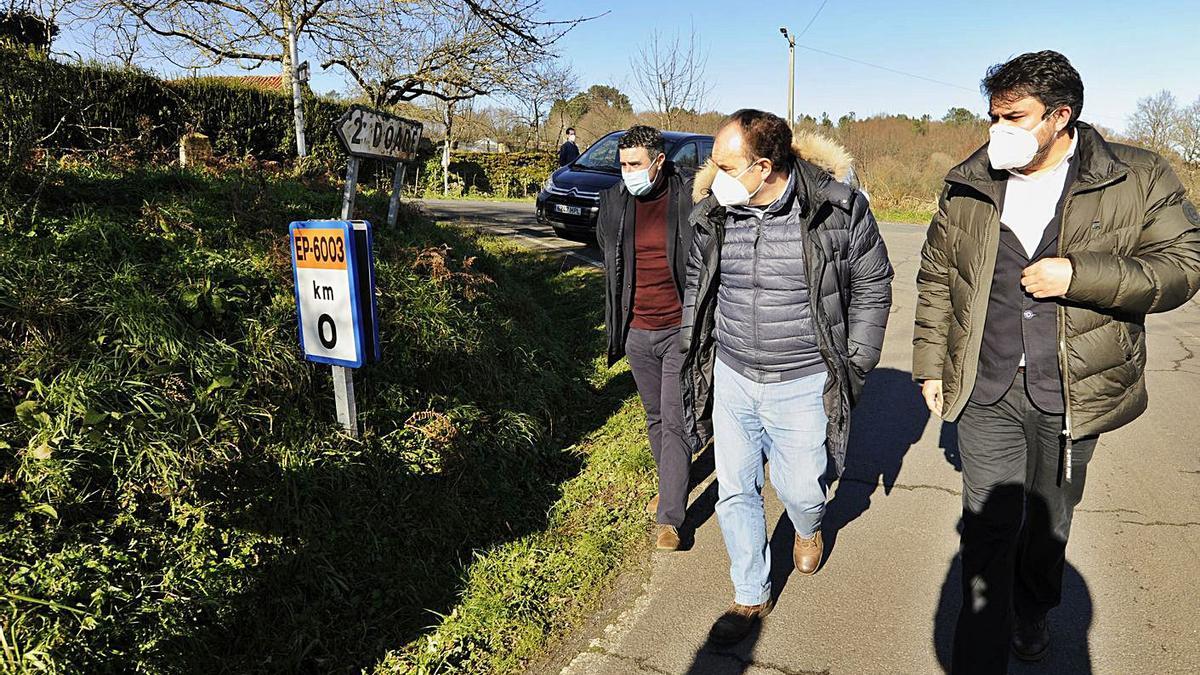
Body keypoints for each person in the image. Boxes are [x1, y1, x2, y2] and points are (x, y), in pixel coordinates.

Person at [912, 50, 1200, 674]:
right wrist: (932, 363)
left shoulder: (1138, 176)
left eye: (1015, 118)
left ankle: (1035, 607)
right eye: (993, 116)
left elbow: (1184, 266)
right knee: (985, 530)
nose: (998, 131)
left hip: (1072, 387)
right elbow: (938, 275)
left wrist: (1080, 275)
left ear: (1061, 115)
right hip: (985, 385)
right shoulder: (972, 179)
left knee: (1047, 524)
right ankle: (978, 657)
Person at [680, 109, 893, 645]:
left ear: (764, 166)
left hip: (802, 380)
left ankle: (808, 525)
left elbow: (873, 283)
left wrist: (857, 360)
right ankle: (749, 594)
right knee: (735, 489)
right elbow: (696, 279)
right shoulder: (715, 214)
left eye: (726, 165)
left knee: (801, 488)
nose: (714, 175)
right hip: (732, 372)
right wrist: (694, 342)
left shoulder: (836, 210)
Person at [596, 125, 698, 552]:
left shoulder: (689, 195)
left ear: (658, 161)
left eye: (635, 164)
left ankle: (670, 518)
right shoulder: (614, 201)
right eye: (622, 165)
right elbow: (609, 256)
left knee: (674, 420)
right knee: (655, 417)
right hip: (637, 331)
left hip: (677, 329)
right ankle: (669, 483)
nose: (627, 173)